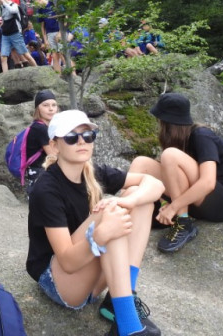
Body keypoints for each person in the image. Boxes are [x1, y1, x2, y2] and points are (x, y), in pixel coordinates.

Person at [27, 110, 165, 336]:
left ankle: (121, 300)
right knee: (110, 212)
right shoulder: (47, 189)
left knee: (137, 199)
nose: (81, 141)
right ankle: (129, 328)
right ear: (54, 146)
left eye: (88, 135)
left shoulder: (93, 172)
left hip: (90, 278)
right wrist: (99, 235)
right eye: (71, 137)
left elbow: (154, 184)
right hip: (59, 282)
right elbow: (68, 262)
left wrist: (129, 201)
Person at [131, 93, 223, 253]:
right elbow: (172, 177)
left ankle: (183, 223)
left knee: (169, 155)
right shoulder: (179, 139)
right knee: (140, 163)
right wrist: (164, 203)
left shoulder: (202, 135)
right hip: (196, 200)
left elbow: (208, 183)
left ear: (166, 122)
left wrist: (174, 207)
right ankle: (128, 215)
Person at [23, 90, 58, 195]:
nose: (51, 109)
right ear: (38, 108)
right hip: (40, 174)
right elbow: (53, 155)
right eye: (46, 105)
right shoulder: (40, 128)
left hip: (39, 173)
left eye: (54, 105)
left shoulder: (43, 126)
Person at [0, 0, 37, 72]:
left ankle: (37, 69)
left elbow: (13, 11)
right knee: (3, 57)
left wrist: (4, 1)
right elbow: (3, 18)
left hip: (15, 33)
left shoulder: (13, 5)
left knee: (25, 54)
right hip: (5, 35)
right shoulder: (2, 8)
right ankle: (5, 76)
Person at [31, 0, 65, 73]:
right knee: (54, 55)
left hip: (59, 31)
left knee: (62, 53)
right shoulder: (40, 10)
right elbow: (42, 26)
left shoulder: (53, 3)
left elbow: (64, 17)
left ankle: (72, 73)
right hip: (49, 33)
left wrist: (60, 32)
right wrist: (45, 40)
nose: (35, 6)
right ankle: (58, 75)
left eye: (35, 3)